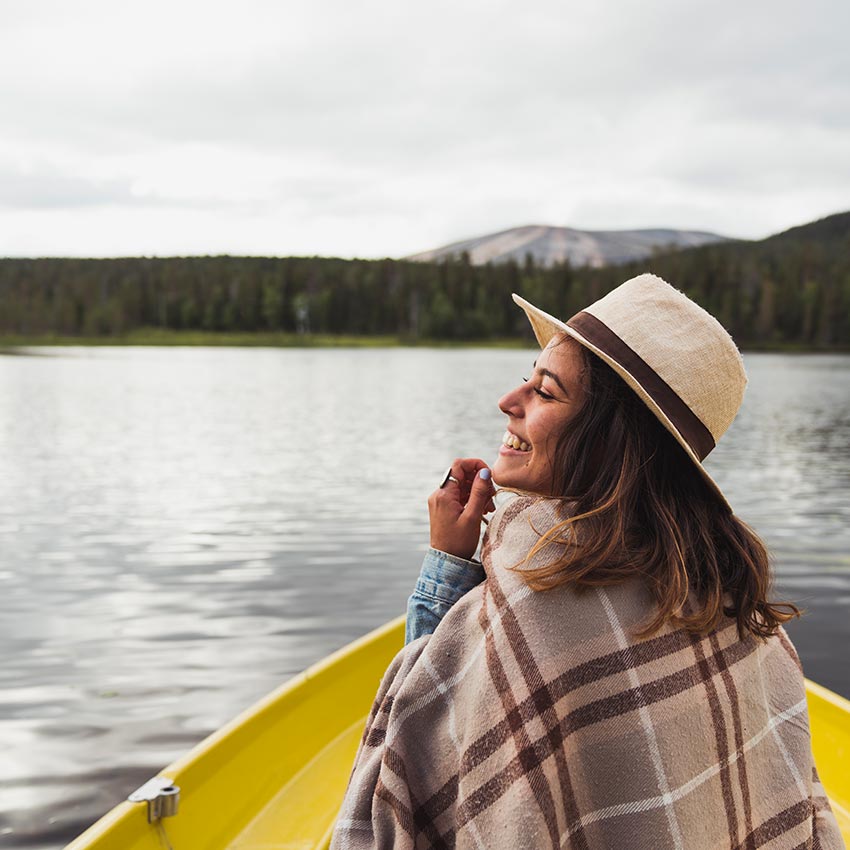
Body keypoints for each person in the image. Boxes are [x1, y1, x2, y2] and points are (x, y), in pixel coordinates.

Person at [330, 273, 845, 850]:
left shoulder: (535, 603)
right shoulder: (734, 602)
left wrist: (445, 570)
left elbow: (401, 778)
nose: (508, 402)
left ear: (611, 439)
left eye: (546, 393)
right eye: (527, 378)